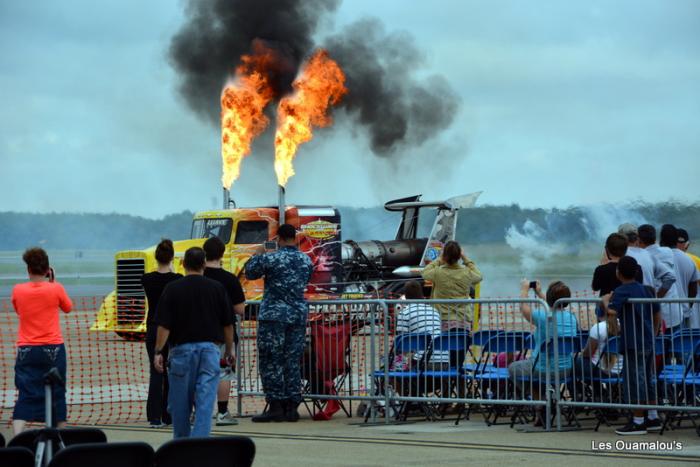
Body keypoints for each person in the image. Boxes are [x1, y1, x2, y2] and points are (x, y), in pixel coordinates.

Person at [153, 247, 234, 438]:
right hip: (210, 351)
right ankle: (200, 446)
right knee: (205, 404)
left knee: (180, 404)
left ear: (183, 264)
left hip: (181, 352)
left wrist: (158, 351)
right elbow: (228, 324)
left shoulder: (172, 288)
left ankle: (182, 446)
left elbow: (164, 326)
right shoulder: (217, 288)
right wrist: (229, 350)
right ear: (204, 264)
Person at [245, 224, 313, 423]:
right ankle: (292, 407)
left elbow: (250, 273)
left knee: (271, 360)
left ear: (279, 238)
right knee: (292, 361)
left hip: (274, 316)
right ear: (294, 237)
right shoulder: (306, 259)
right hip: (297, 315)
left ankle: (275, 405)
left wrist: (258, 253)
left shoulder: (271, 258)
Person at [11, 247, 73, 435]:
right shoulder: (56, 288)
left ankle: (17, 438)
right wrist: (53, 283)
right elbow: (68, 308)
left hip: (27, 348)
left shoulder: (18, 290)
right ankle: (61, 437)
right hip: (53, 348)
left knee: (25, 392)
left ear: (28, 269)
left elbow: (20, 311)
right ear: (48, 270)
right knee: (57, 392)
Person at [601, 256, 662, 435]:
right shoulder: (648, 290)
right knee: (648, 378)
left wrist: (605, 301)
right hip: (648, 340)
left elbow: (611, 311)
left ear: (619, 273)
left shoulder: (622, 291)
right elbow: (657, 314)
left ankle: (638, 421)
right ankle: (652, 416)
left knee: (636, 380)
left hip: (633, 341)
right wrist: (654, 332)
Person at [508, 280, 578, 426]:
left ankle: (541, 404)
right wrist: (540, 293)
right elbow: (554, 308)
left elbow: (524, 308)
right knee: (534, 373)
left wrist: (524, 290)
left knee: (514, 368)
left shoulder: (543, 317)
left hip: (543, 368)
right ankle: (549, 401)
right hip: (566, 369)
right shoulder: (571, 318)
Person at [203, 236, 246, 426]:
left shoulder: (197, 277)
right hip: (223, 334)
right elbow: (240, 310)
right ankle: (222, 412)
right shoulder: (229, 279)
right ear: (221, 254)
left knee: (200, 374)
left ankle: (198, 411)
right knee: (224, 372)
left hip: (197, 333)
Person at [141, 239, 181, 428]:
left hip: (153, 328)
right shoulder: (177, 279)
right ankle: (168, 414)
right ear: (172, 257)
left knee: (155, 373)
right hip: (171, 329)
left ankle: (154, 416)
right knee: (170, 373)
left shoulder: (147, 279)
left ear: (156, 257)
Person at [421, 240, 482, 331]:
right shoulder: (466, 272)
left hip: (443, 319)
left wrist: (439, 259)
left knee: (443, 344)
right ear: (459, 256)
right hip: (463, 319)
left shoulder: (438, 272)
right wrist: (465, 258)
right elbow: (479, 276)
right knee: (462, 344)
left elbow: (424, 272)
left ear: (444, 256)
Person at [395, 281, 448, 368]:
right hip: (445, 360)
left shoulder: (404, 313)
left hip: (423, 361)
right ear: (421, 294)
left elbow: (402, 343)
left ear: (406, 296)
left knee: (399, 367)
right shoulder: (434, 310)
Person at [638, 224, 680, 332]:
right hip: (675, 312)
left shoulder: (644, 257)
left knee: (659, 347)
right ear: (655, 238)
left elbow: (670, 277)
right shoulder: (668, 251)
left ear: (639, 241)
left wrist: (656, 298)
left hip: (658, 316)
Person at [660, 225, 698, 329]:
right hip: (684, 312)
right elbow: (694, 289)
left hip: (663, 313)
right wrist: (687, 306)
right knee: (680, 343)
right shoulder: (689, 260)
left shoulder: (657, 257)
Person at [618, 223, 659, 289]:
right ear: (637, 238)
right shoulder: (647, 253)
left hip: (634, 297)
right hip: (650, 297)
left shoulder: (623, 255)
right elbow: (668, 277)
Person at [677, 228, 700, 328]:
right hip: (693, 304)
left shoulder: (667, 258)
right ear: (687, 244)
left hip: (675, 305)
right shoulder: (695, 260)